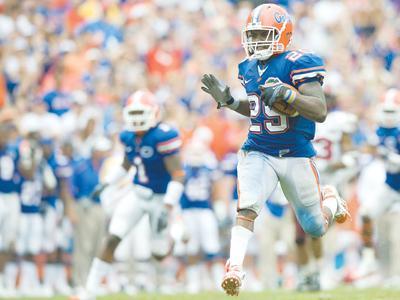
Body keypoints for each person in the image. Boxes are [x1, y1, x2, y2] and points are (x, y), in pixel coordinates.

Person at [200, 4, 349, 296]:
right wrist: (230, 101)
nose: (255, 41)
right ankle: (235, 268)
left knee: (315, 227)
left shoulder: (299, 62)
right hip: (259, 150)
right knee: (247, 207)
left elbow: (319, 110)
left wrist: (290, 94)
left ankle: (330, 200)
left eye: (262, 33)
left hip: (295, 153)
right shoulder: (247, 67)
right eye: (252, 34)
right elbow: (257, 110)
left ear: (283, 34)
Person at [75, 90, 185, 300]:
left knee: (158, 253)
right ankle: (89, 292)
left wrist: (169, 205)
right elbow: (126, 166)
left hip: (161, 199)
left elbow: (178, 174)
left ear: (154, 113)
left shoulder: (164, 135)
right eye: (132, 113)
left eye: (140, 113)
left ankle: (173, 235)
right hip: (137, 193)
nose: (136, 118)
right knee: (112, 238)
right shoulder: (127, 136)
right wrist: (106, 183)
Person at [357, 89, 400, 281]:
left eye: (392, 111)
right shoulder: (379, 131)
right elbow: (368, 149)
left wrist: (392, 158)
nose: (388, 116)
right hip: (391, 186)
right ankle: (368, 260)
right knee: (366, 213)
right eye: (386, 111)